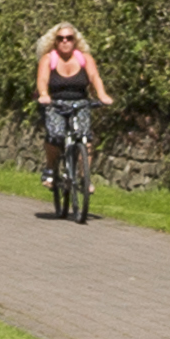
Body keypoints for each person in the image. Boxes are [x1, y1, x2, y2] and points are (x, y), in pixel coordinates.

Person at [32, 21, 109, 208]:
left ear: (75, 41)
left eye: (69, 38)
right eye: (61, 39)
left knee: (85, 139)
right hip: (55, 103)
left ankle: (84, 177)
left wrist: (102, 95)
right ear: (55, 41)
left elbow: (94, 77)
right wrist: (44, 95)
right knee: (55, 135)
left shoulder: (84, 58)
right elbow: (42, 80)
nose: (65, 42)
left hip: (80, 103)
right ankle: (50, 169)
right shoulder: (48, 59)